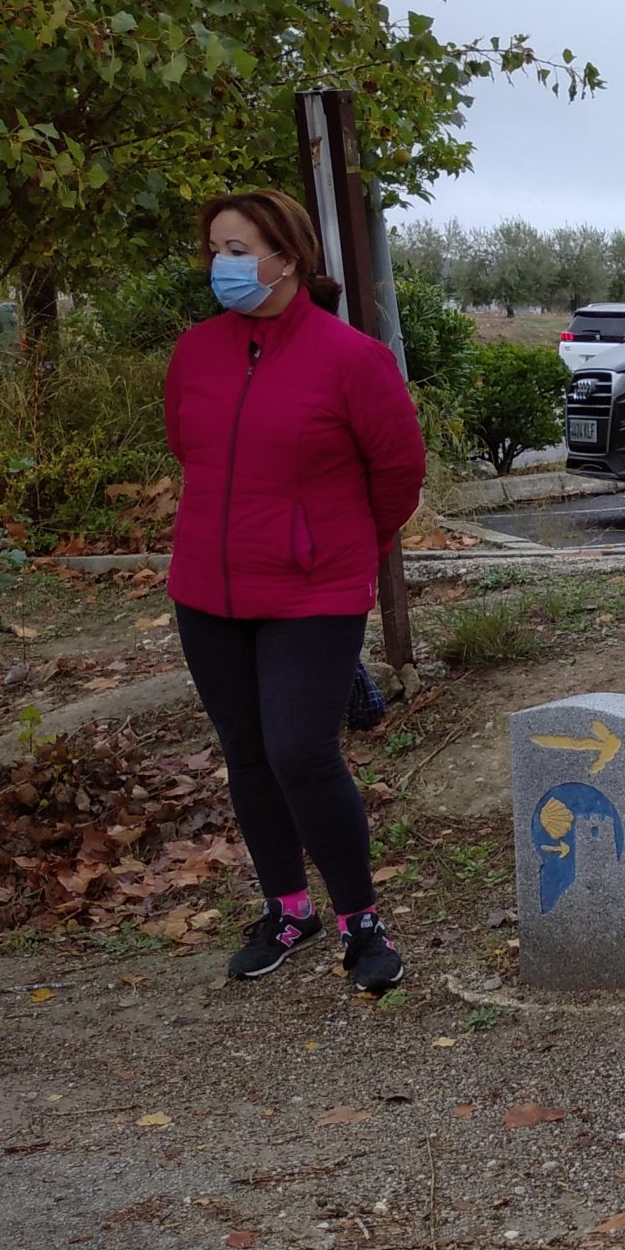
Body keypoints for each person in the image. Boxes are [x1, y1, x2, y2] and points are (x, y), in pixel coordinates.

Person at [166, 190, 426, 992]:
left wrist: (345, 548)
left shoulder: (351, 358)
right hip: (208, 589)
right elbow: (189, 448)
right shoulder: (196, 353)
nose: (222, 264)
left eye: (238, 249)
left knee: (300, 750)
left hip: (314, 591)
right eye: (215, 248)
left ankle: (359, 920)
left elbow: (399, 472)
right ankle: (287, 909)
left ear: (287, 257)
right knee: (246, 751)